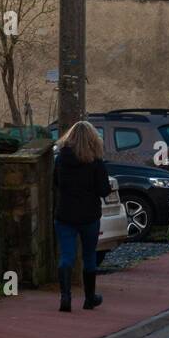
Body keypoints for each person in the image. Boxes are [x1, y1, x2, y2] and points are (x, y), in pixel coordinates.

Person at [54, 119, 112, 312]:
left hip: (65, 214)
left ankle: (66, 297)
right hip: (89, 216)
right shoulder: (95, 162)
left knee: (66, 255)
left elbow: (56, 183)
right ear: (92, 139)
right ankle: (89, 298)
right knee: (89, 257)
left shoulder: (61, 159)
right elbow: (104, 190)